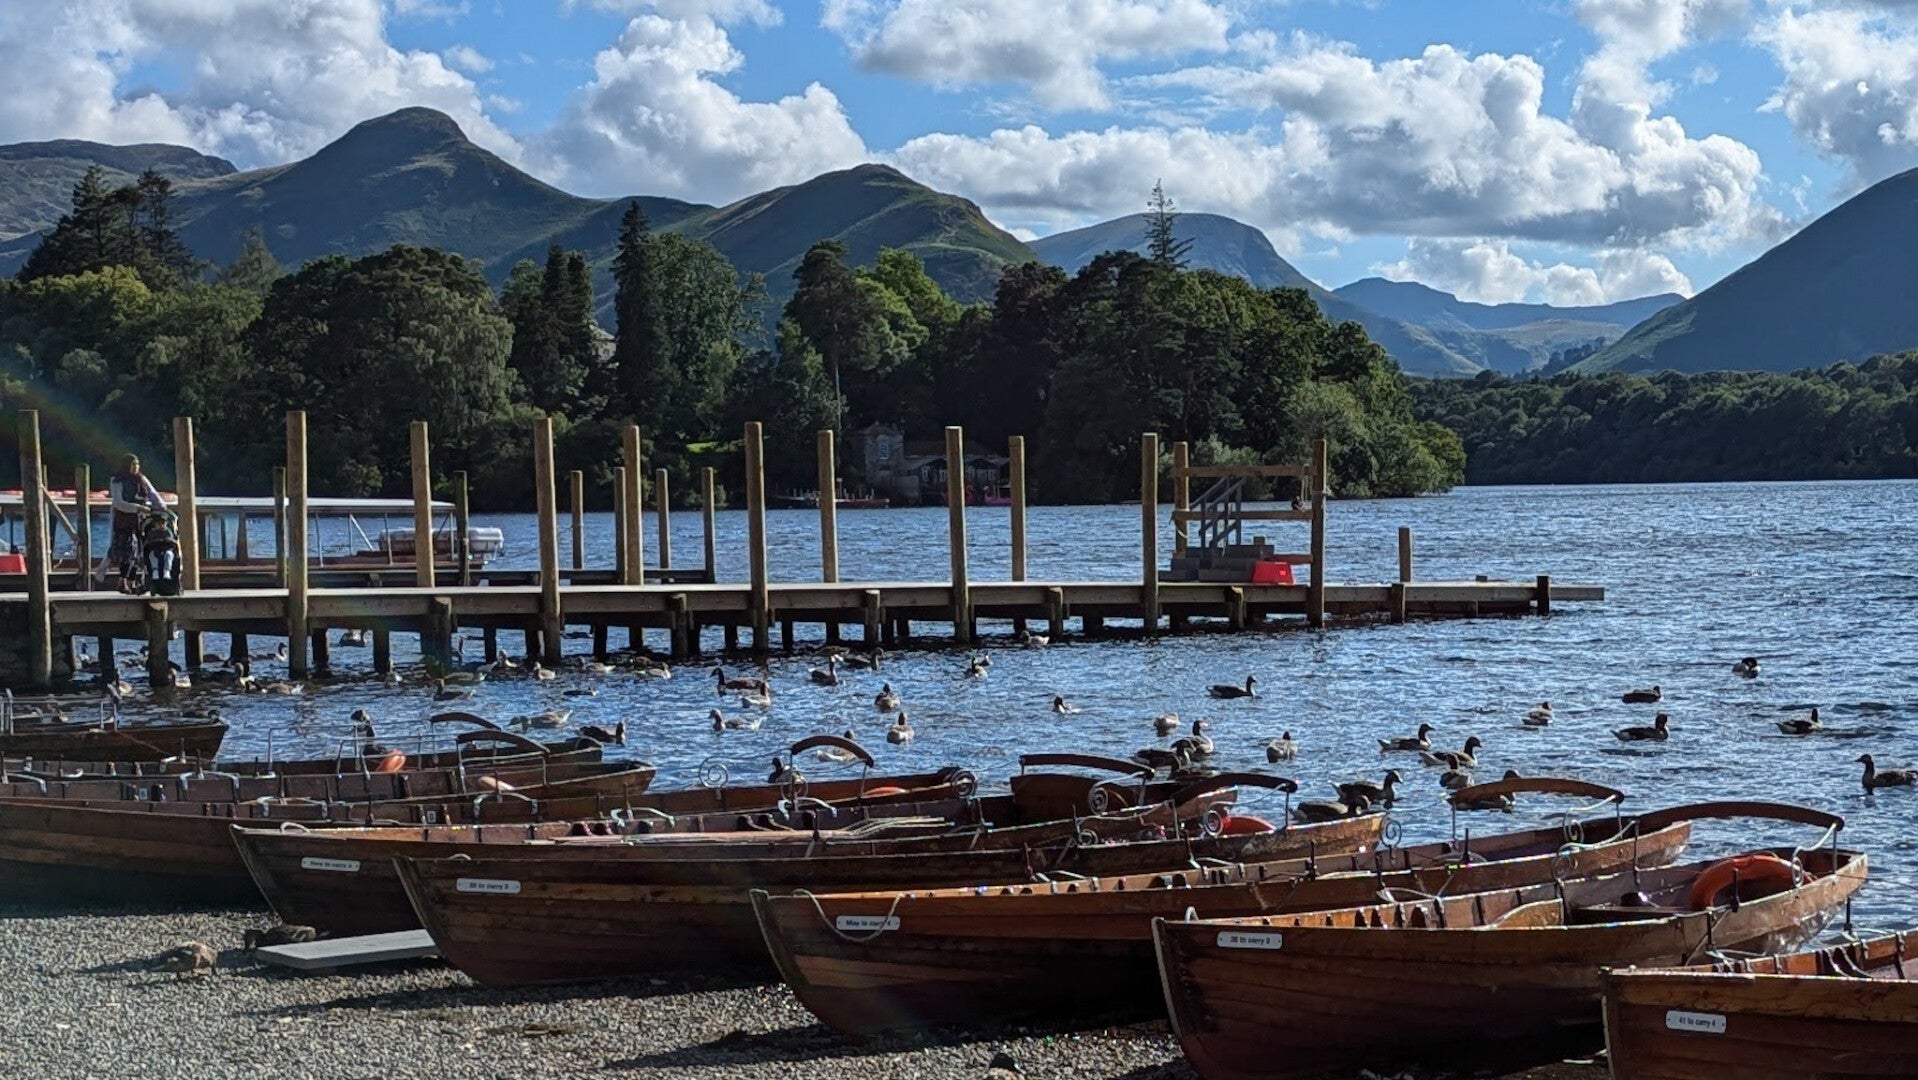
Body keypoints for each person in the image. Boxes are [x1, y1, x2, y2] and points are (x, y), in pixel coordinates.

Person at [101, 453, 168, 585]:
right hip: (123, 519)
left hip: (140, 520)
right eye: (133, 464)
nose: (136, 467)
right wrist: (138, 508)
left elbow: (153, 494)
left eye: (137, 464)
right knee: (127, 551)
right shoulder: (117, 480)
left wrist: (162, 508)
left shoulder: (141, 479)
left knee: (138, 552)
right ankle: (122, 580)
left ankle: (132, 581)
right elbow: (119, 502)